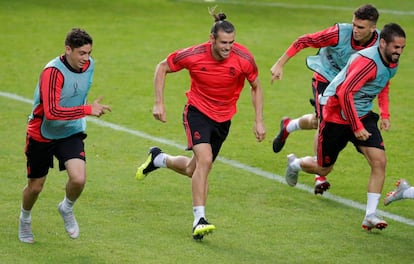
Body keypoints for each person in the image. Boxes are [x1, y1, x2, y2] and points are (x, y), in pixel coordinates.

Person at [135, 7, 266, 240]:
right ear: (212, 39)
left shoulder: (244, 58)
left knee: (192, 169)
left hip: (224, 119)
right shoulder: (194, 54)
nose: (228, 47)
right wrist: (159, 103)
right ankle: (199, 219)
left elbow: (256, 86)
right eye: (224, 42)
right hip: (197, 112)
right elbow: (162, 67)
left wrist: (258, 120)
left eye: (232, 42)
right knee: (205, 161)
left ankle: (158, 159)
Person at [284, 23, 406, 231]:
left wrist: (385, 114)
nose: (399, 52)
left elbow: (383, 84)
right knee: (323, 168)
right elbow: (344, 93)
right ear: (383, 43)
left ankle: (370, 215)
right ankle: (295, 164)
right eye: (396, 47)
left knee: (379, 161)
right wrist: (356, 126)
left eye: (402, 48)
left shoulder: (391, 62)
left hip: (362, 114)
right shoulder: (368, 62)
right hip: (336, 116)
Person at [270, 4, 380, 195]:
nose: (355, 29)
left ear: (372, 28)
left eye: (360, 27)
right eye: (354, 24)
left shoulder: (380, 44)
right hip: (325, 78)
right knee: (325, 122)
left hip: (347, 85)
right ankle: (320, 174)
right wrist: (280, 64)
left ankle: (289, 125)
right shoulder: (339, 33)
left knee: (318, 121)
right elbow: (304, 40)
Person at [18, 28, 112, 243]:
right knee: (36, 187)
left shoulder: (89, 65)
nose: (86, 58)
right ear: (68, 50)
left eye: (88, 53)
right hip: (43, 132)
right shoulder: (52, 73)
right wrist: (87, 110)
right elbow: (52, 113)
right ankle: (25, 218)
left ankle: (66, 208)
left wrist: (83, 111)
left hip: (70, 131)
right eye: (81, 53)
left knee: (78, 179)